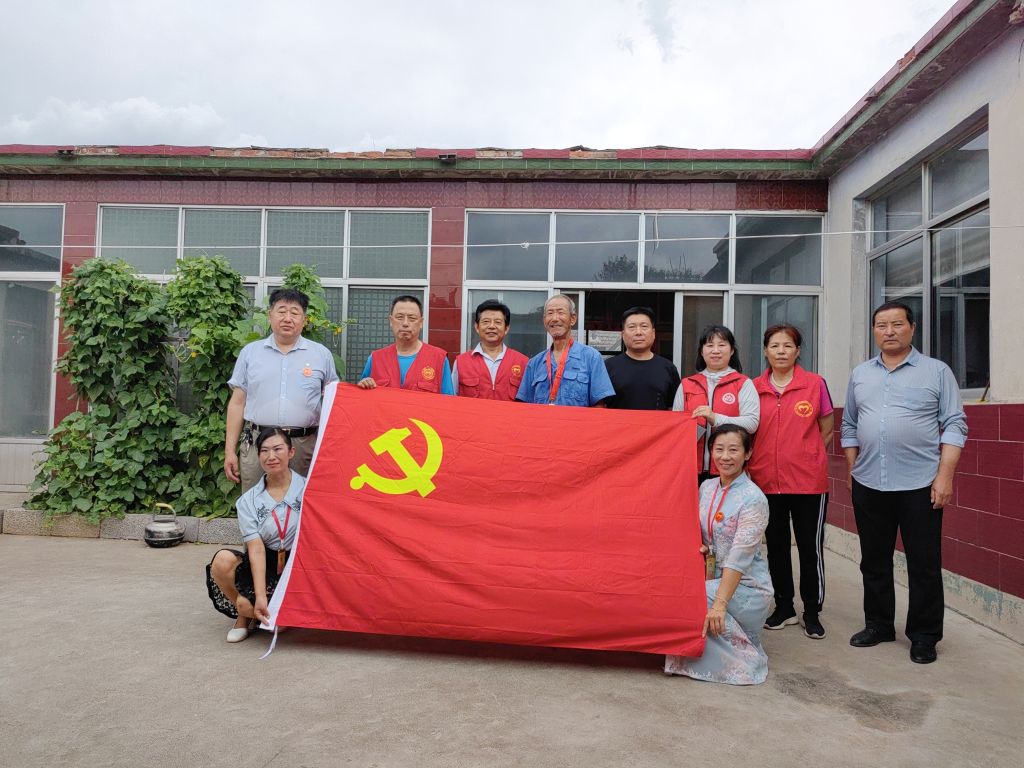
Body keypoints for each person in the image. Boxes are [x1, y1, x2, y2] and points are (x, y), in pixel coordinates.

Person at [842, 301, 967, 665]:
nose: (889, 331)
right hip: (869, 482)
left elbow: (955, 424)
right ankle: (879, 625)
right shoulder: (861, 374)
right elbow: (849, 424)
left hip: (920, 484)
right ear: (874, 331)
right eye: (882, 325)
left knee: (924, 563)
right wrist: (852, 468)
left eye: (897, 324)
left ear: (912, 328)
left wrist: (945, 476)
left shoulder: (936, 372)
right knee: (874, 560)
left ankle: (924, 635)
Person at [665, 424, 773, 685]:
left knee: (686, 596)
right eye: (719, 449)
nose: (725, 457)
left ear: (747, 454)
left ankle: (743, 658)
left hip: (746, 587)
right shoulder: (707, 487)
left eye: (733, 450)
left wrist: (720, 604)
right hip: (712, 578)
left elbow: (739, 558)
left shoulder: (754, 499)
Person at [747, 324, 834, 639]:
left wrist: (807, 457)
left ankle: (812, 611)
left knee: (810, 549)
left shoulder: (814, 384)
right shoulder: (753, 387)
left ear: (798, 351)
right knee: (777, 548)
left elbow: (826, 429)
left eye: (787, 345)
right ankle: (784, 606)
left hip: (808, 483)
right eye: (774, 345)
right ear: (765, 351)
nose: (781, 351)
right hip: (765, 481)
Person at [225, 288, 338, 492]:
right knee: (256, 500)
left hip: (303, 446)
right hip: (259, 442)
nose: (287, 318)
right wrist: (229, 451)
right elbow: (237, 402)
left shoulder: (321, 355)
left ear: (304, 320)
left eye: (294, 313)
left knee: (302, 503)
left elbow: (334, 402)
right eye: (281, 311)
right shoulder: (250, 353)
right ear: (270, 315)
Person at [207, 428, 305, 643]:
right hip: (264, 562)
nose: (271, 456)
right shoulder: (248, 501)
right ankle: (244, 614)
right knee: (223, 562)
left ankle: (258, 611)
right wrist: (260, 596)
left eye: (278, 449)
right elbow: (256, 549)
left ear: (291, 452)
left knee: (281, 624)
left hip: (297, 566)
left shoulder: (309, 490)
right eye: (264, 451)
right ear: (258, 455)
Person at [674, 325, 759, 482]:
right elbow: (675, 427)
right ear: (701, 351)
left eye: (721, 345)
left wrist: (716, 418)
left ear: (732, 350)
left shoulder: (743, 383)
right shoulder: (687, 384)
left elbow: (751, 423)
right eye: (710, 345)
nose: (715, 351)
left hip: (729, 468)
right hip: (690, 468)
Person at [515, 294, 615, 407]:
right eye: (550, 313)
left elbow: (599, 405)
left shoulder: (591, 357)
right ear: (544, 321)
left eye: (560, 312)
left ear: (572, 319)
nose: (554, 318)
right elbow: (524, 407)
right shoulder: (534, 363)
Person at [356, 294, 454, 395]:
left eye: (412, 318)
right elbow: (362, 397)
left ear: (421, 322)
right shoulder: (375, 359)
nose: (405, 323)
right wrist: (363, 385)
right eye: (399, 317)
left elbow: (449, 401)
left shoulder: (439, 359)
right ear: (391, 321)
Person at [604, 306, 680, 410]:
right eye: (632, 327)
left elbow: (674, 408)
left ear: (653, 333)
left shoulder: (668, 368)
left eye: (644, 326)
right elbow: (600, 406)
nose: (638, 332)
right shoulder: (608, 367)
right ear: (623, 334)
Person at [452, 299, 529, 400]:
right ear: (477, 327)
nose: (492, 326)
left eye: (497, 322)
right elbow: (451, 399)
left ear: (506, 328)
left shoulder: (523, 362)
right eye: (486, 322)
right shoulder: (461, 362)